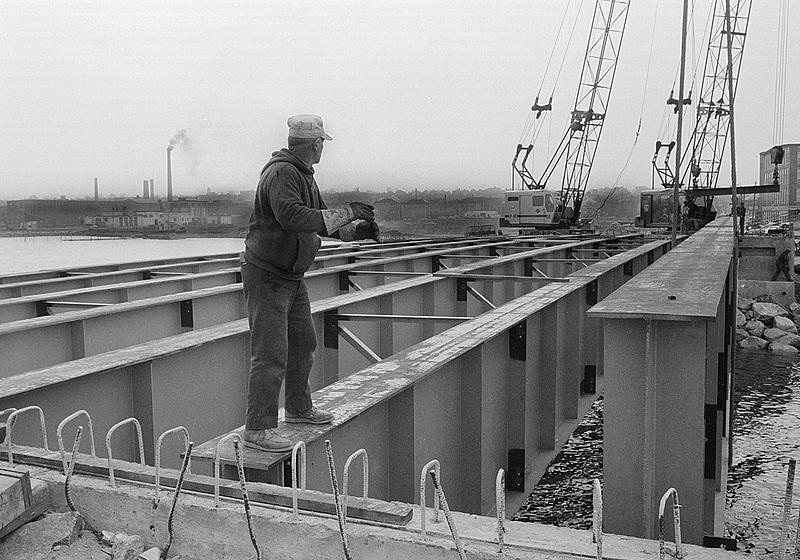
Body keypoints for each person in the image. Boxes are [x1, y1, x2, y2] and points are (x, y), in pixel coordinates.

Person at [241, 114, 378, 452]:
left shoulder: (302, 175)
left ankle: (299, 408)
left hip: (290, 275)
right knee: (270, 352)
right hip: (269, 275)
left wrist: (358, 232)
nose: (323, 150)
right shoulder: (282, 173)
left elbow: (320, 223)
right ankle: (258, 428)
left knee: (303, 342)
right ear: (316, 144)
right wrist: (349, 212)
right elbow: (291, 216)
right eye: (322, 144)